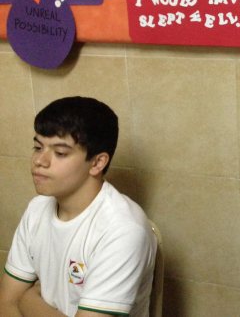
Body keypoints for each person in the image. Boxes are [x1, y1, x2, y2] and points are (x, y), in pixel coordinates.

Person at [0, 96, 157, 317]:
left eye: (60, 153)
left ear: (97, 163)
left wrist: (28, 300)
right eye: (38, 147)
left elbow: (18, 300)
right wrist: (21, 301)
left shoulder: (123, 229)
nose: (39, 161)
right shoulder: (37, 209)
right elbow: (6, 302)